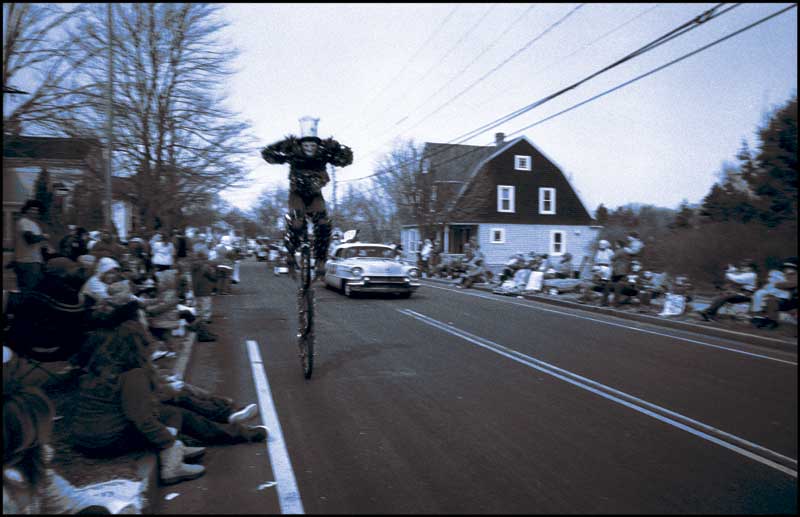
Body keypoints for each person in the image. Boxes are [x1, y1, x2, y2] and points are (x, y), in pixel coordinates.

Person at [69, 324, 267, 486]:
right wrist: (168, 440)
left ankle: (185, 446)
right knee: (175, 414)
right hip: (106, 442)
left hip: (86, 439)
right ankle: (172, 462)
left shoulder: (105, 366)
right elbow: (142, 419)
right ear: (140, 347)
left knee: (172, 412)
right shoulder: (133, 374)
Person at [260, 117, 353, 279]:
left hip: (315, 195)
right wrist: (283, 145)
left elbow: (346, 160)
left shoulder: (322, 154)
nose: (309, 148)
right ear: (301, 146)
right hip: (297, 194)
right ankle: (290, 254)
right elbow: (267, 155)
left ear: (317, 146)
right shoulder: (294, 154)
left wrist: (337, 147)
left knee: (324, 223)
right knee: (297, 223)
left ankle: (320, 260)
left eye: (312, 145)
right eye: (306, 145)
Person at [13, 200, 50, 295]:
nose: (34, 212)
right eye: (32, 209)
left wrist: (45, 246)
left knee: (32, 290)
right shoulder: (23, 222)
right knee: (28, 291)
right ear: (26, 210)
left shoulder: (35, 225)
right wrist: (43, 236)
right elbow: (30, 239)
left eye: (37, 210)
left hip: (34, 261)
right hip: (27, 262)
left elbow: (36, 243)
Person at [751, 260, 797, 330]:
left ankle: (772, 322)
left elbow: (792, 284)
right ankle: (760, 319)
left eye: (788, 267)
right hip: (777, 295)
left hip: (789, 299)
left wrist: (776, 284)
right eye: (785, 267)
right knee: (760, 296)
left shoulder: (794, 275)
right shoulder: (781, 274)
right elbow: (769, 284)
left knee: (771, 301)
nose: (785, 269)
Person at [190, 246, 218, 342]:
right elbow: (213, 277)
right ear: (205, 256)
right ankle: (203, 333)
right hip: (205, 290)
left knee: (199, 312)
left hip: (196, 291)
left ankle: (199, 329)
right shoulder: (205, 266)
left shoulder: (193, 265)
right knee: (205, 314)